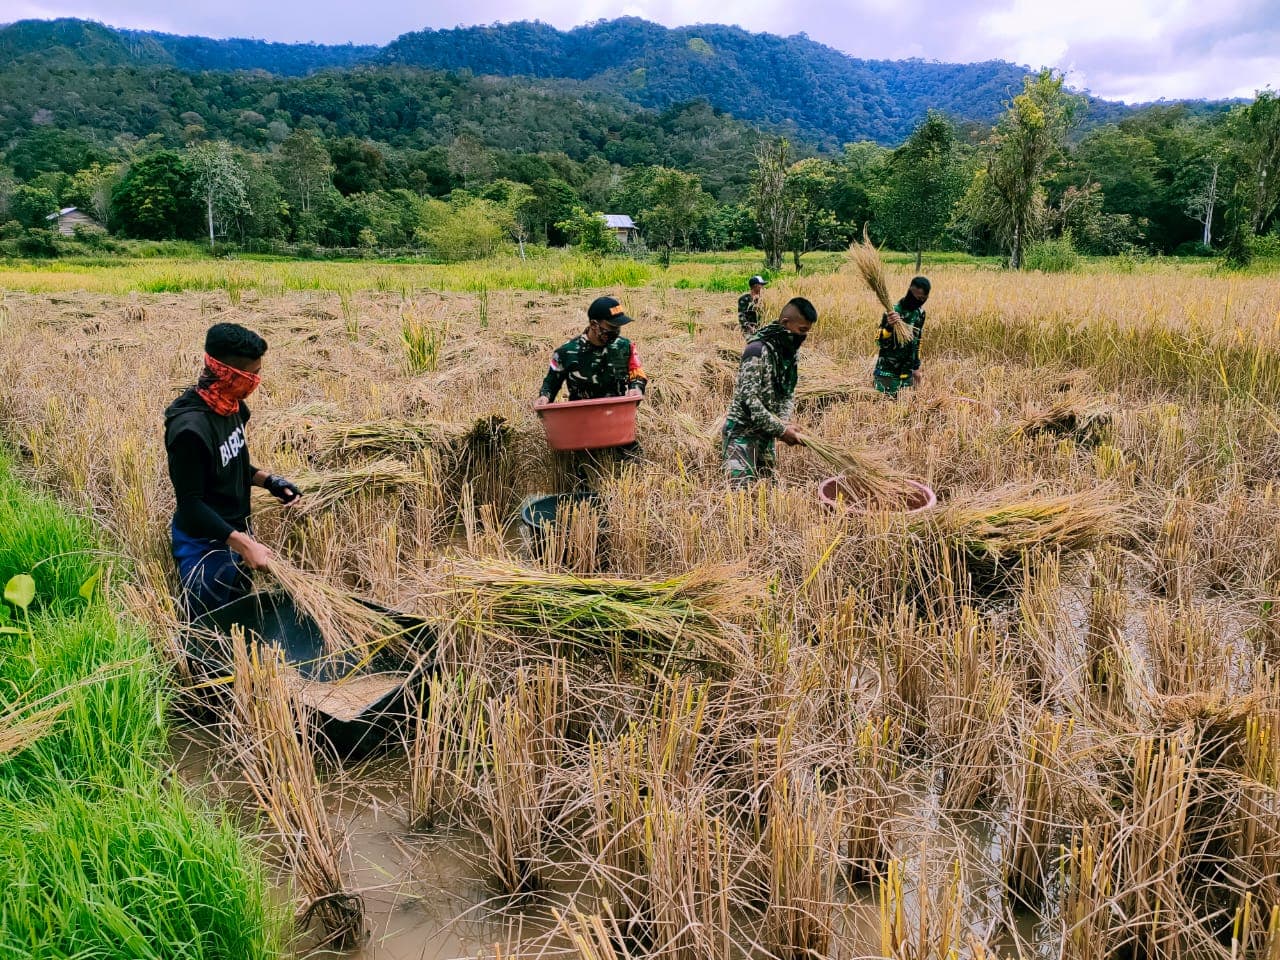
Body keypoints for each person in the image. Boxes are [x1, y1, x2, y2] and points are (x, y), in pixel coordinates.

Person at [164, 322, 302, 618]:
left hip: (237, 533)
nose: (257, 381)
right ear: (230, 375)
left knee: (239, 617)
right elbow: (190, 505)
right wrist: (244, 545)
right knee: (210, 624)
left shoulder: (232, 406)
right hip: (204, 547)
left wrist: (270, 481)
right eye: (252, 374)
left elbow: (230, 461)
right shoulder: (189, 431)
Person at [721, 297, 817, 486]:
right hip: (742, 431)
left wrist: (783, 422)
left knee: (768, 487)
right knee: (741, 492)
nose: (804, 336)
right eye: (802, 330)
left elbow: (788, 392)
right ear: (786, 323)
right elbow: (750, 402)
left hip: (766, 431)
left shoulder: (788, 352)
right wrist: (782, 430)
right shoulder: (756, 351)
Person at [535, 296, 647, 405]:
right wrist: (544, 397)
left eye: (618, 327)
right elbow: (551, 383)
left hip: (617, 413)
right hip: (582, 414)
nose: (616, 331)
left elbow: (637, 374)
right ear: (594, 325)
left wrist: (636, 388)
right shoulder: (565, 353)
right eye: (612, 327)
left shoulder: (625, 347)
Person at [872, 276, 930, 395]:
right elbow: (878, 340)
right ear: (910, 292)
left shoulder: (920, 313)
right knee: (884, 404)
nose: (920, 301)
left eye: (924, 299)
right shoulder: (893, 311)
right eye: (918, 298)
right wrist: (889, 327)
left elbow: (918, 340)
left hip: (907, 373)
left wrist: (916, 367)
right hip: (887, 372)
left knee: (906, 404)